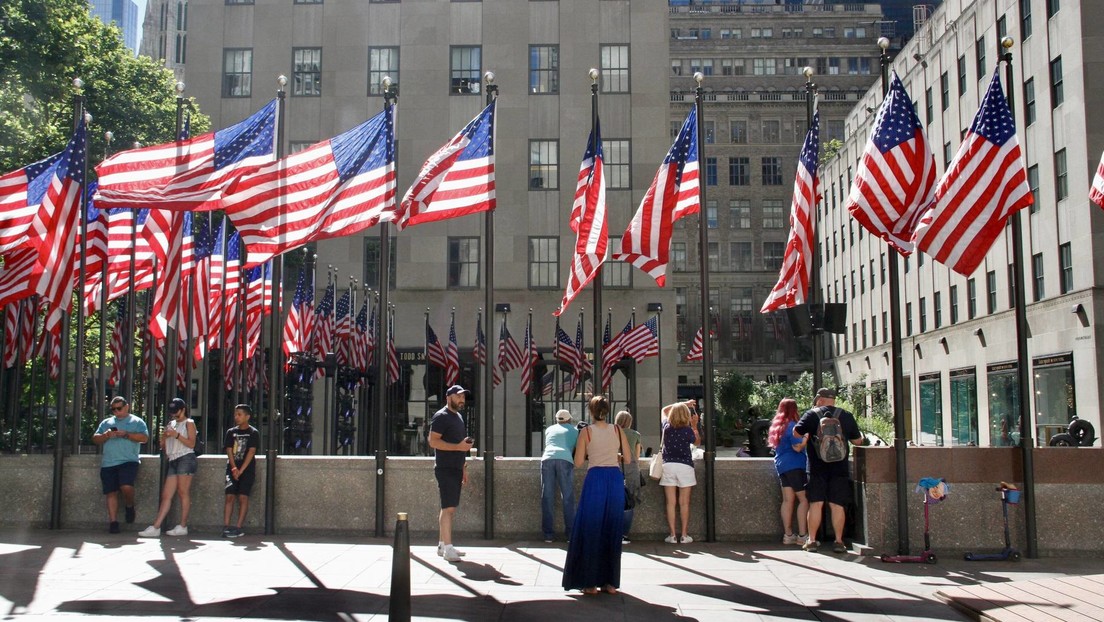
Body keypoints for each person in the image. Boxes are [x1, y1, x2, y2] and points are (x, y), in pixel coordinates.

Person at [562, 395, 632, 595]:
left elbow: (578, 463)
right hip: (614, 479)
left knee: (591, 529)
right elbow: (628, 459)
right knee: (612, 529)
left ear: (591, 412)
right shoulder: (617, 430)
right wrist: (613, 455)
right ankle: (610, 583)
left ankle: (589, 583)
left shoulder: (586, 432)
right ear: (608, 411)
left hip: (595, 479)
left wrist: (590, 452)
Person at [794, 388, 863, 554]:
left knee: (816, 503)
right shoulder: (845, 415)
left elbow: (796, 433)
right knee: (837, 504)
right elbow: (858, 441)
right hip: (839, 468)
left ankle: (811, 541)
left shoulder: (811, 415)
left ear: (819, 399)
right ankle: (838, 541)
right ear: (834, 400)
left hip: (816, 467)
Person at [428, 385, 474, 562]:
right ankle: (448, 548)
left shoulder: (458, 417)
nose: (462, 399)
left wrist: (463, 467)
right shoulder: (441, 416)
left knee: (447, 507)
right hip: (445, 467)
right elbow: (433, 442)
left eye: (463, 397)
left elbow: (459, 444)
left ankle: (442, 545)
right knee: (449, 508)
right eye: (458, 396)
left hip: (456, 467)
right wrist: (458, 447)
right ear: (449, 397)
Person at [139, 398, 197, 538]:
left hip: (185, 457)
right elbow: (163, 446)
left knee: (183, 491)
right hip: (173, 459)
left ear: (183, 410)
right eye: (172, 412)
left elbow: (191, 444)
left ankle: (183, 525)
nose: (174, 414)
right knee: (167, 495)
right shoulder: (171, 424)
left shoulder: (189, 423)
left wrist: (176, 435)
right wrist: (164, 437)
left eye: (176, 411)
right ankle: (156, 526)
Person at [92, 396, 150, 533]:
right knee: (111, 492)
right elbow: (95, 438)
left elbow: (144, 438)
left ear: (126, 407)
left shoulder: (137, 421)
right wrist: (106, 435)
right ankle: (113, 522)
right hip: (109, 462)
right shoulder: (106, 422)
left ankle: (129, 505)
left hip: (128, 461)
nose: (116, 412)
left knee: (126, 486)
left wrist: (126, 434)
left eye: (119, 408)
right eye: (113, 409)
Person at [767, 398, 808, 546]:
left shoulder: (778, 427)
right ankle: (802, 536)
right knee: (803, 499)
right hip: (795, 465)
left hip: (781, 466)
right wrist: (805, 438)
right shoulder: (792, 426)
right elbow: (797, 447)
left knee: (787, 500)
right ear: (794, 410)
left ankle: (788, 535)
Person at [660, 400, 700, 544]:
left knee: (670, 503)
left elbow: (664, 410)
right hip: (685, 466)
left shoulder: (666, 427)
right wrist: (694, 425)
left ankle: (672, 535)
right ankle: (684, 535)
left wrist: (685, 403)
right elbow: (697, 442)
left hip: (668, 465)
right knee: (684, 503)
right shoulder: (688, 430)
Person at [541, 409, 579, 543]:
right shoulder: (574, 431)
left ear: (557, 419)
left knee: (547, 496)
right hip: (565, 459)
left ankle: (548, 535)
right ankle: (570, 534)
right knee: (567, 497)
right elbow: (578, 448)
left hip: (547, 458)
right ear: (569, 419)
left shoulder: (549, 429)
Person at [223, 404, 259, 538]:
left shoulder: (253, 432)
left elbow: (251, 451)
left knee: (243, 496)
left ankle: (239, 526)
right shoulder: (231, 432)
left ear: (247, 416)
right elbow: (228, 450)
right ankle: (226, 526)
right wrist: (234, 468)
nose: (236, 417)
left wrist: (241, 470)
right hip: (232, 467)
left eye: (239, 414)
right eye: (235, 414)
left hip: (247, 469)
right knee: (230, 496)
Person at [615, 410, 642, 544]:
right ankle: (624, 534)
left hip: (615, 468)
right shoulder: (635, 434)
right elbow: (636, 456)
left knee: (614, 501)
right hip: (631, 470)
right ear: (630, 422)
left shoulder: (613, 433)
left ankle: (613, 532)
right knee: (628, 502)